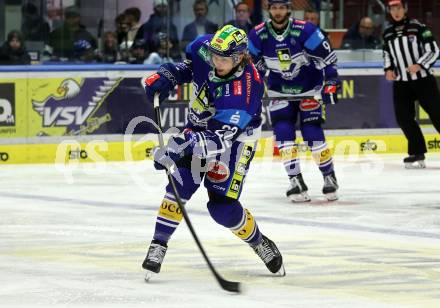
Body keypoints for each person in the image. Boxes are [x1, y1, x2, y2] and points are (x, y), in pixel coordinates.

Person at [141, 25, 285, 279]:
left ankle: (259, 242)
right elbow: (190, 67)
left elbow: (220, 139)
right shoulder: (205, 49)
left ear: (240, 57)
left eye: (223, 59)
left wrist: (179, 146)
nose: (216, 62)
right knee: (179, 185)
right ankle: (158, 244)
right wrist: (168, 75)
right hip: (198, 127)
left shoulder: (246, 91)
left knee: (222, 208)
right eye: (214, 56)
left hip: (236, 142)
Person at [248, 0, 340, 202]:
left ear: (289, 9)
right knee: (283, 133)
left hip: (309, 89)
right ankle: (295, 180)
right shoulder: (257, 35)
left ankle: (328, 177)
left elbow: (328, 60)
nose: (278, 12)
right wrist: (251, 90)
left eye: (282, 7)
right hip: (279, 91)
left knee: (312, 131)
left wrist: (331, 82)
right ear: (268, 9)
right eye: (274, 8)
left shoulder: (306, 30)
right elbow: (252, 69)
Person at [383, 0, 440, 168]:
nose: (396, 11)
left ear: (405, 9)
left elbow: (434, 50)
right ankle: (416, 151)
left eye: (398, 8)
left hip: (423, 80)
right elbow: (386, 53)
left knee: (437, 115)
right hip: (401, 83)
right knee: (404, 118)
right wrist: (388, 68)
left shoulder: (418, 27)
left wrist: (420, 64)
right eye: (393, 9)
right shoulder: (387, 33)